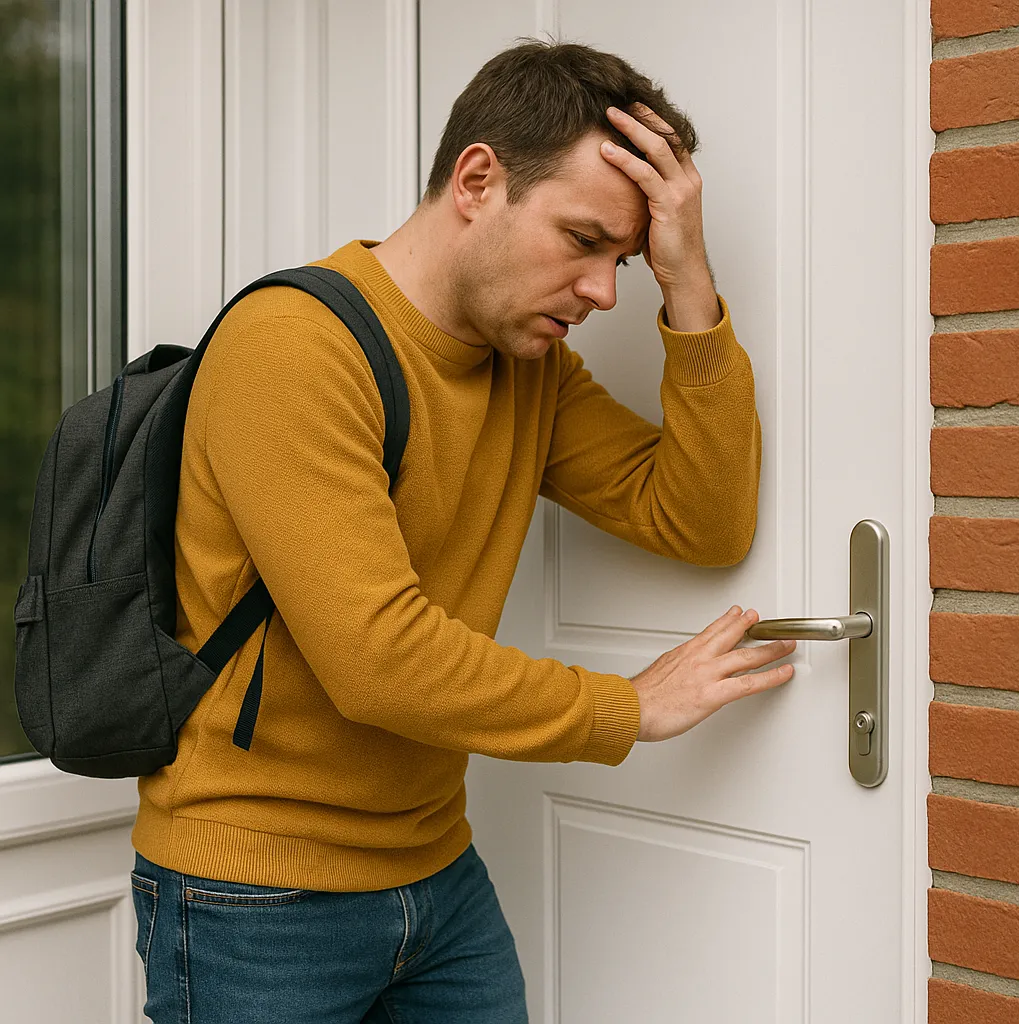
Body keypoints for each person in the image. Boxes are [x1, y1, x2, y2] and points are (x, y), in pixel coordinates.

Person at [129, 39, 796, 1024]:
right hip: (254, 895)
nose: (604, 292)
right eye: (582, 240)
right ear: (477, 180)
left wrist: (687, 281)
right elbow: (377, 658)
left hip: (436, 873)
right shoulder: (294, 348)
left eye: (624, 259)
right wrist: (625, 708)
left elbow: (698, 518)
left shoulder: (527, 370)